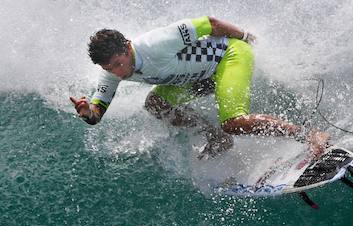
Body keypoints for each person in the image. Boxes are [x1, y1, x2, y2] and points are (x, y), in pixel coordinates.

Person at [70, 16, 329, 159]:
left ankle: (310, 135)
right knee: (155, 104)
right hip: (197, 79)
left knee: (233, 121)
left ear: (127, 47)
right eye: (109, 68)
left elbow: (211, 23)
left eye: (118, 63)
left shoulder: (157, 43)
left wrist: (246, 37)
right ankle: (216, 137)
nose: (117, 72)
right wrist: (86, 113)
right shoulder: (111, 74)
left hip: (227, 57)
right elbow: (96, 115)